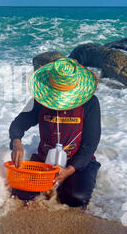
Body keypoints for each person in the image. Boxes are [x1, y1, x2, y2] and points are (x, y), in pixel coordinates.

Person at [9, 57, 101, 208]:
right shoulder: (39, 100)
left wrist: (68, 170)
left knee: (76, 198)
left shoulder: (91, 103)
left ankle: (71, 182)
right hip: (45, 160)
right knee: (21, 195)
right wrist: (16, 142)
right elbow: (17, 124)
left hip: (77, 162)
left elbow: (91, 143)